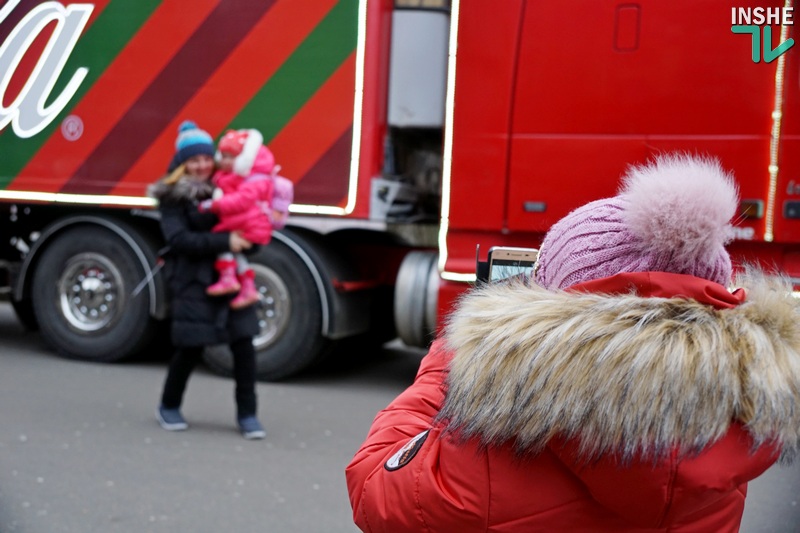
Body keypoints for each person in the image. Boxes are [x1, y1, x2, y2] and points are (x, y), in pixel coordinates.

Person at [345, 153, 800, 532]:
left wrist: (456, 355)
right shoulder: (730, 416)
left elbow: (375, 493)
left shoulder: (493, 446)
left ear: (560, 309)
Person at [148, 120, 266, 440]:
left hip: (233, 279)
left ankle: (248, 414)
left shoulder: (228, 188)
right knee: (191, 346)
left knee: (244, 345)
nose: (201, 166)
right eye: (194, 160)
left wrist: (251, 239)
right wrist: (226, 243)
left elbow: (246, 224)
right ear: (182, 164)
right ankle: (168, 405)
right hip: (193, 280)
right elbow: (179, 240)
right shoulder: (173, 196)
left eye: (205, 159)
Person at [199, 128, 275, 309]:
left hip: (248, 224)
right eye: (222, 156)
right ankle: (247, 287)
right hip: (245, 223)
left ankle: (228, 277)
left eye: (230, 157)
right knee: (236, 252)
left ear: (242, 160)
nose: (224, 161)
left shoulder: (251, 180)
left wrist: (214, 205)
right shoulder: (233, 177)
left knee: (222, 239)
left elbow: (240, 201)